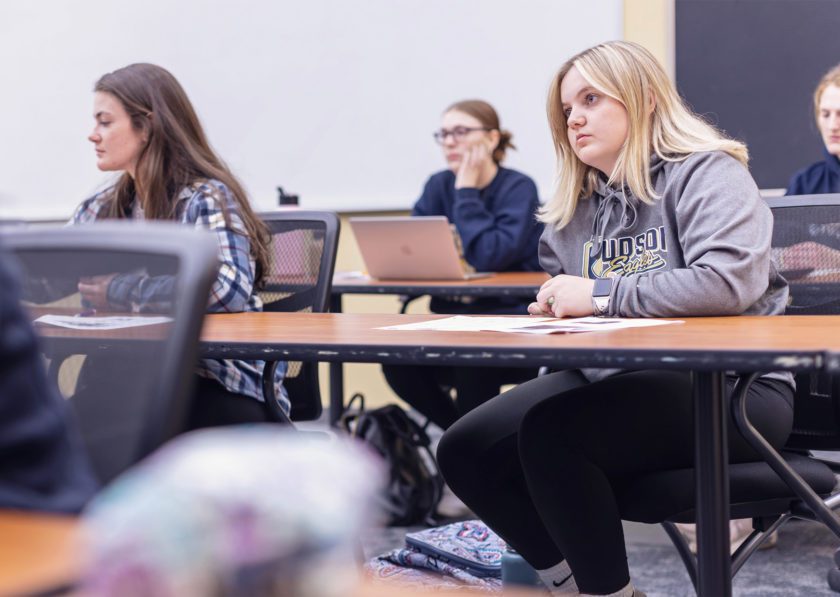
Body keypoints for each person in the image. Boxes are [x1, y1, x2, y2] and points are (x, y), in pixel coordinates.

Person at [437, 41, 793, 597]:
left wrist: (599, 295)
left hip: (734, 390)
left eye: (590, 99)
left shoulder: (706, 173)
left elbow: (729, 281)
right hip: (615, 381)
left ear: (645, 99)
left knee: (555, 433)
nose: (574, 117)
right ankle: (573, 584)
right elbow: (582, 306)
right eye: (566, 109)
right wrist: (553, 314)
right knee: (466, 449)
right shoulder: (574, 208)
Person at [70, 63, 288, 429]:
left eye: (105, 122)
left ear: (147, 127)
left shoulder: (205, 197)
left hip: (215, 382)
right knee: (62, 429)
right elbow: (54, 268)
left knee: (102, 427)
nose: (93, 135)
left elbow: (227, 288)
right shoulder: (103, 206)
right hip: (138, 373)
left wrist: (119, 291)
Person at [381, 99, 543, 431]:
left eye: (460, 131)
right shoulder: (437, 184)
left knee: (470, 358)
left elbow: (490, 255)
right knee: (396, 362)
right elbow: (415, 250)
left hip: (505, 317)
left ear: (492, 139)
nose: (450, 142)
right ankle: (463, 440)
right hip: (450, 315)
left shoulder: (518, 187)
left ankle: (470, 449)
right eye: (443, 134)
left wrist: (467, 191)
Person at [0, 247, 98, 512]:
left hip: (200, 381)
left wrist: (119, 288)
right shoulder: (98, 209)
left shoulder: (199, 204)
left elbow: (221, 289)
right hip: (101, 374)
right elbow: (51, 280)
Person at [777, 64, 840, 275]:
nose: (833, 125)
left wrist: (834, 260)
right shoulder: (805, 182)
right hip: (811, 304)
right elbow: (776, 251)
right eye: (825, 114)